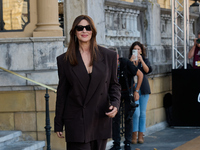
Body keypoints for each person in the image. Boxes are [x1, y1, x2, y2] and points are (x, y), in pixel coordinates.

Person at [54, 15, 121, 150]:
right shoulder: (64, 60)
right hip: (76, 120)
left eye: (88, 27)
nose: (84, 31)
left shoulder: (109, 56)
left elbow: (114, 85)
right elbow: (62, 93)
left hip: (100, 117)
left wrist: (115, 104)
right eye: (80, 28)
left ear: (93, 31)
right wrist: (58, 123)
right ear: (74, 32)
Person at [109, 47, 143, 150]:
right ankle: (116, 143)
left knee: (128, 117)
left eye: (113, 59)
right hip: (115, 93)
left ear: (118, 57)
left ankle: (127, 143)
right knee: (115, 118)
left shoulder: (126, 63)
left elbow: (140, 75)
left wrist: (136, 91)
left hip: (128, 91)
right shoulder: (107, 66)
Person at [129, 41, 152, 144]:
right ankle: (134, 134)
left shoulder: (145, 60)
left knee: (142, 113)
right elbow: (128, 71)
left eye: (139, 49)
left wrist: (141, 60)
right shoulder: (129, 61)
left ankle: (141, 135)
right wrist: (131, 61)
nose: (137, 51)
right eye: (135, 49)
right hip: (134, 89)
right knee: (136, 113)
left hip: (144, 89)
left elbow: (147, 71)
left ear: (141, 51)